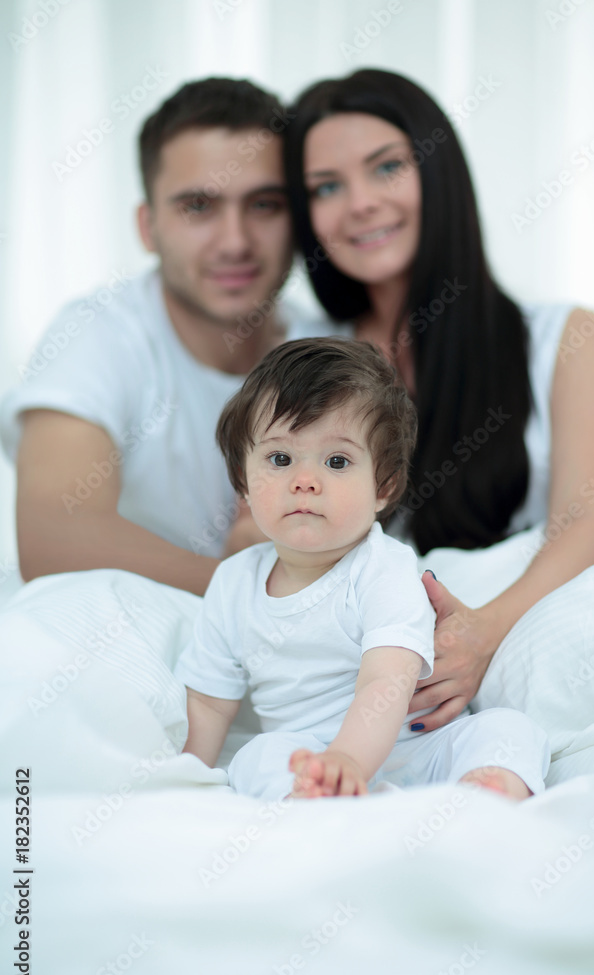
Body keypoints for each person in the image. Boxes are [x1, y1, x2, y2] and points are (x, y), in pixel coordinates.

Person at [283, 68, 594, 732]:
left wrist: (482, 634)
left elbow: (588, 527)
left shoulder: (567, 338)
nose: (358, 203)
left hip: (514, 623)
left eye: (385, 168)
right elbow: (262, 524)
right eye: (326, 188)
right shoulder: (302, 358)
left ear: (439, 175)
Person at [0, 77, 342, 597]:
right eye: (198, 207)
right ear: (147, 226)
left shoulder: (332, 353)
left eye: (264, 205)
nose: (235, 242)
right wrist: (256, 594)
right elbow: (53, 538)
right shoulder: (100, 333)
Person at [175, 338, 550, 801]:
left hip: (419, 745)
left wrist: (350, 761)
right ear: (243, 483)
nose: (305, 480)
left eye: (337, 461)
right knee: (255, 757)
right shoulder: (233, 583)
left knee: (509, 729)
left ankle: (483, 792)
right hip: (309, 754)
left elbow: (385, 680)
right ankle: (318, 799)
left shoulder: (383, 568)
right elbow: (211, 702)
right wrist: (187, 774)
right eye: (279, 458)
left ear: (384, 487)